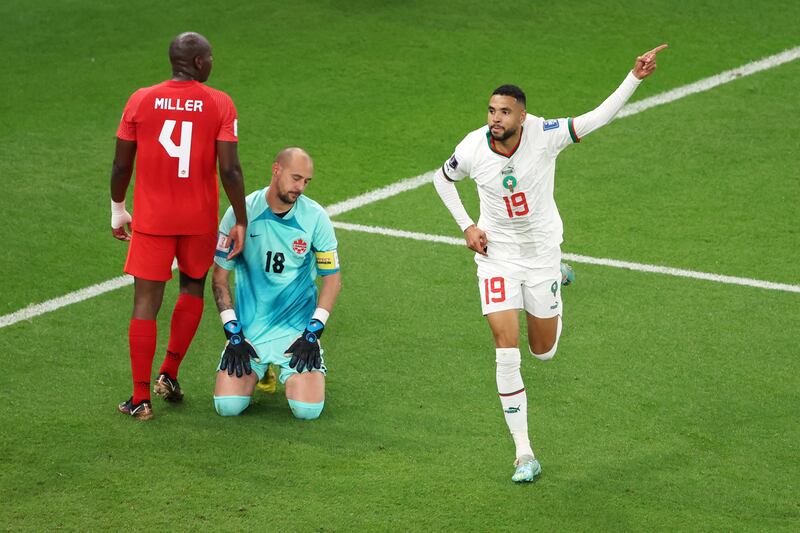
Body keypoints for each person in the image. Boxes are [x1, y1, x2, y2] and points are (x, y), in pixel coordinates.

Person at [433, 45, 668, 482]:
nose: (495, 118)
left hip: (541, 256)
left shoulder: (546, 133)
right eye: (491, 110)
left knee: (542, 351)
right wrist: (467, 225)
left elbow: (596, 118)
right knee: (506, 349)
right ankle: (524, 453)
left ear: (522, 116)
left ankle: (558, 279)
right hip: (496, 257)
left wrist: (634, 76)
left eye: (504, 111)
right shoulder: (471, 147)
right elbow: (441, 179)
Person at [110, 32, 249, 420]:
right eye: (211, 57)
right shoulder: (220, 103)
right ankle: (168, 374)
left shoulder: (141, 99)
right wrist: (240, 218)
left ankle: (140, 399)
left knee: (145, 303)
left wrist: (118, 209)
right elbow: (230, 169)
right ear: (200, 63)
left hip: (153, 221)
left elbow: (122, 165)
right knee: (192, 287)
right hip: (198, 220)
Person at [211, 147, 341, 420]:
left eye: (306, 181)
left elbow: (332, 281)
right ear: (276, 170)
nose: (300, 187)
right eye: (296, 178)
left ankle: (297, 365)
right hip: (249, 335)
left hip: (296, 335)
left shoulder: (315, 218)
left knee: (308, 411)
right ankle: (260, 367)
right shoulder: (240, 214)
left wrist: (313, 332)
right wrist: (232, 332)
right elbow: (220, 279)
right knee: (227, 407)